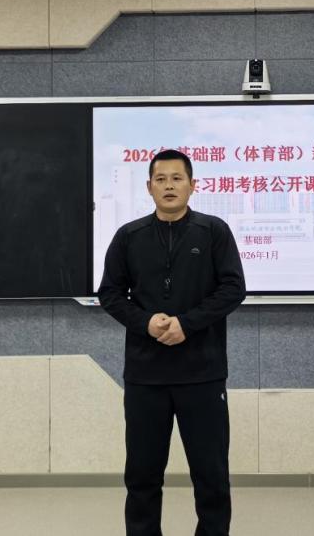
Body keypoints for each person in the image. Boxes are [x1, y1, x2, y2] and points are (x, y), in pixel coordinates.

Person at [98, 149, 246, 536]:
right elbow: (109, 293)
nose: (169, 186)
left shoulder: (213, 232)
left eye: (177, 178)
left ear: (192, 185)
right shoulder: (129, 236)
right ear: (149, 187)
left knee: (211, 477)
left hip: (203, 373)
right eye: (161, 179)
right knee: (142, 477)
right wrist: (145, 322)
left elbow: (233, 289)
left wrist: (187, 324)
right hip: (146, 377)